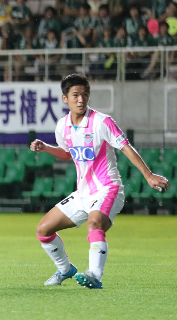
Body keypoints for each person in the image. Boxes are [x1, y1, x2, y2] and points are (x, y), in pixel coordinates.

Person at [31, 73, 169, 289]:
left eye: (85, 95)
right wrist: (46, 148)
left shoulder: (102, 122)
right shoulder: (62, 126)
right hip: (83, 194)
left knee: (94, 224)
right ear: (64, 98)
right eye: (75, 95)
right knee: (43, 230)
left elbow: (126, 148)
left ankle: (95, 275)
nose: (81, 100)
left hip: (108, 189)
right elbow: (68, 153)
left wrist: (148, 175)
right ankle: (66, 269)